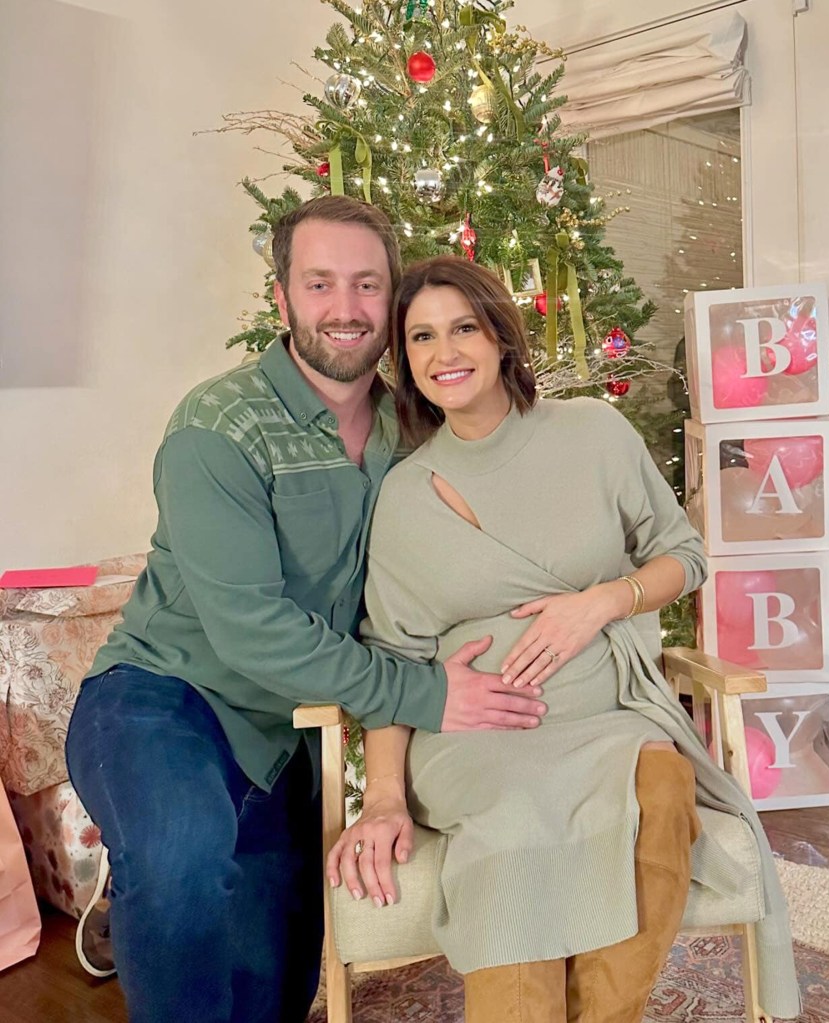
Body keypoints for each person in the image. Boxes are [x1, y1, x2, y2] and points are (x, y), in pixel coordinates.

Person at [64, 198, 548, 1023]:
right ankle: (146, 855)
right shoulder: (218, 427)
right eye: (320, 283)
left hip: (291, 736)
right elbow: (251, 630)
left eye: (367, 284)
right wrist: (428, 692)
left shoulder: (415, 428)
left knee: (277, 987)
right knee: (183, 859)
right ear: (283, 299)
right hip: (162, 701)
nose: (347, 307)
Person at [327, 256, 801, 1023]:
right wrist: (383, 791)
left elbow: (685, 556)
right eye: (420, 337)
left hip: (606, 713)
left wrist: (602, 602)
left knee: (663, 785)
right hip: (472, 737)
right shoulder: (407, 495)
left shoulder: (594, 433)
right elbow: (394, 659)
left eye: (462, 329)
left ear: (501, 337)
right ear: (404, 362)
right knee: (514, 821)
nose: (444, 353)